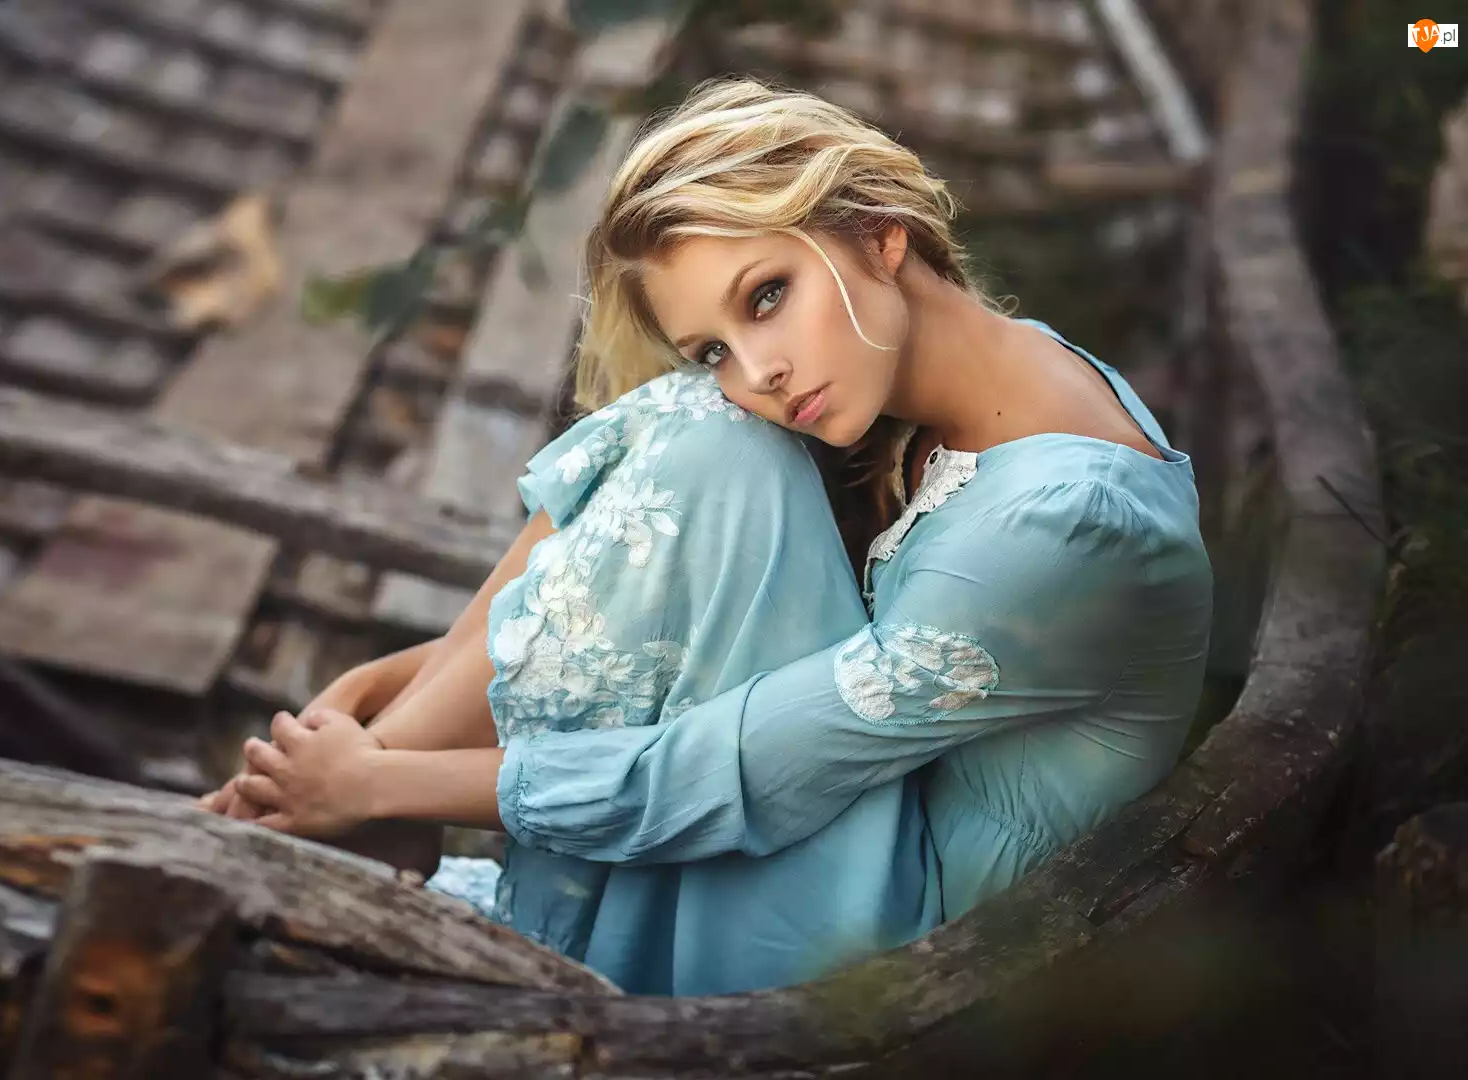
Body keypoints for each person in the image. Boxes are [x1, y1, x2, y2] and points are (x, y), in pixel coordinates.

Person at [199, 78, 1213, 996]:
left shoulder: (1067, 525)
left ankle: (331, 811)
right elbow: (668, 605)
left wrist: (381, 782)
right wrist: (391, 691)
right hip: (836, 827)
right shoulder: (991, 375)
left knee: (705, 432)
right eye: (716, 345)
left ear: (881, 234)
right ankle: (330, 795)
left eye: (768, 296)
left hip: (888, 963)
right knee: (699, 422)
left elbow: (735, 769)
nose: (759, 370)